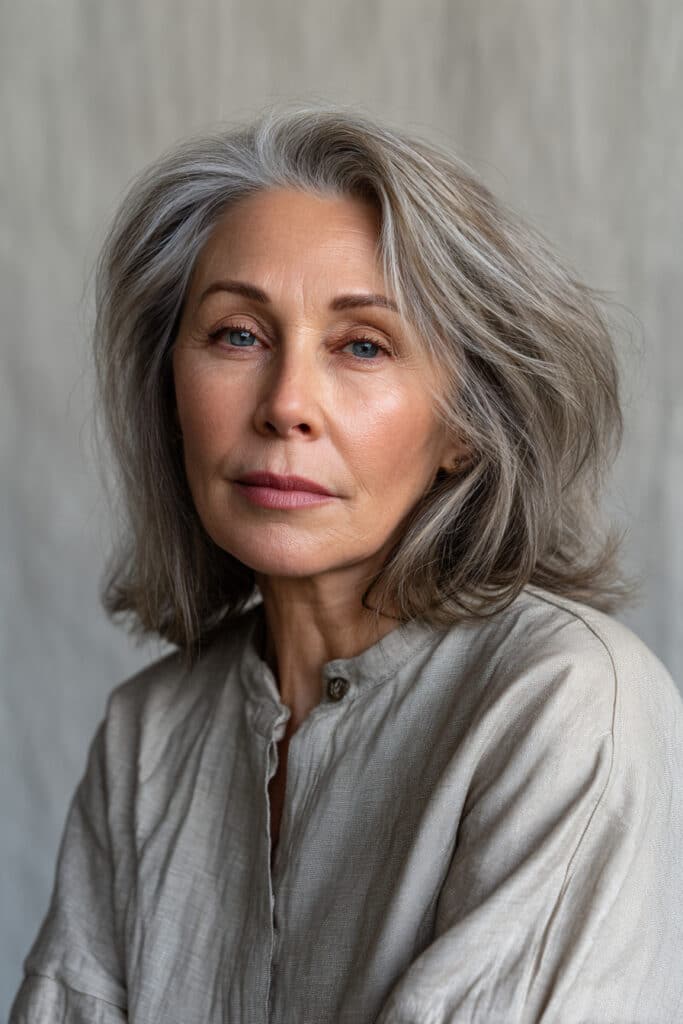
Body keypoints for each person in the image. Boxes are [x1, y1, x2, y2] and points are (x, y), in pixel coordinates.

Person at [10, 102, 683, 1024]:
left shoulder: (566, 703)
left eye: (362, 344)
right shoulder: (148, 733)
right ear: (170, 389)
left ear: (465, 426)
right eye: (238, 335)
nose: (286, 404)